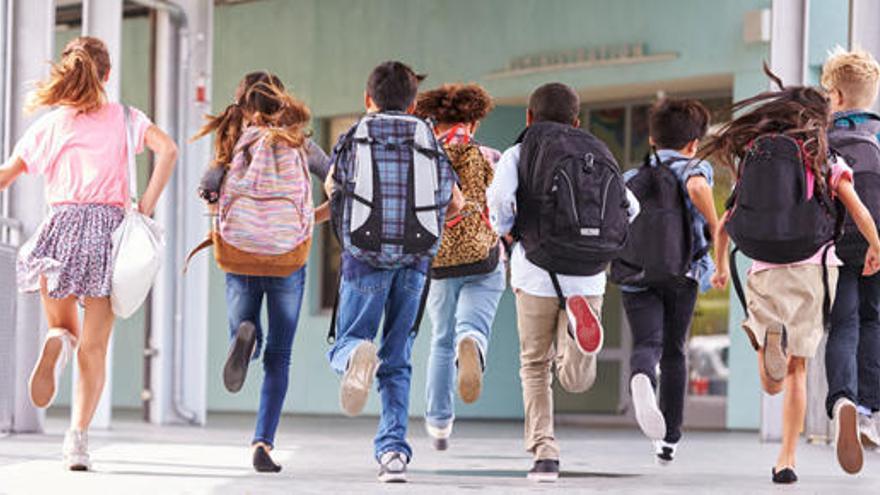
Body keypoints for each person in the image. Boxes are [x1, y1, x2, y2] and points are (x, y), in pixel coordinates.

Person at [0, 36, 177, 471]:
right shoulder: (125, 118)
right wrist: (145, 207)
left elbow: (6, 176)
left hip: (58, 228)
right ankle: (77, 441)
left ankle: (58, 341)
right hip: (108, 235)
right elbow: (168, 150)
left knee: (63, 327)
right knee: (94, 349)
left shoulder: (50, 126)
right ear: (108, 75)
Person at [708, 68, 880, 484]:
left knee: (773, 382)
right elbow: (855, 206)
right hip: (811, 266)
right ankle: (791, 455)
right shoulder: (823, 155)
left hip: (763, 269)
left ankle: (771, 354)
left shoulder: (754, 155)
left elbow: (725, 223)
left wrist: (717, 268)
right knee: (801, 369)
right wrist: (875, 244)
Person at [487, 82, 640, 482]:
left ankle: (545, 453)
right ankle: (579, 339)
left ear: (529, 118)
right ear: (577, 119)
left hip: (536, 270)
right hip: (588, 276)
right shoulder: (596, 150)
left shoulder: (519, 152)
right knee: (576, 378)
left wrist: (506, 231)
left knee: (535, 365)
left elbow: (500, 200)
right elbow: (631, 207)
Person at [324, 61, 461, 483]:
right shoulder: (428, 138)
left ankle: (354, 357)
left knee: (346, 341)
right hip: (416, 261)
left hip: (364, 257)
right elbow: (453, 202)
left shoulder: (355, 135)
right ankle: (393, 454)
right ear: (414, 102)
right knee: (398, 357)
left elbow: (333, 188)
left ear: (369, 100)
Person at [192, 72, 328, 473]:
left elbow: (208, 189)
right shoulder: (299, 142)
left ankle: (244, 335)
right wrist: (312, 218)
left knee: (245, 329)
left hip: (240, 253)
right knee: (280, 356)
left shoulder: (232, 144)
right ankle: (263, 442)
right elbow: (338, 179)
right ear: (281, 103)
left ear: (243, 107)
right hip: (288, 256)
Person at [618, 98, 719, 465]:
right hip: (682, 273)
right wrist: (715, 226)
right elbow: (695, 191)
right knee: (675, 350)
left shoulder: (630, 177)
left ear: (651, 139)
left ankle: (642, 375)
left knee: (648, 343)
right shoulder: (696, 167)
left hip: (636, 272)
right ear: (694, 142)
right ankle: (669, 439)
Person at [414, 83, 505, 451]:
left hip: (438, 262)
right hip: (483, 257)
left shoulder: (424, 157)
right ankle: (473, 343)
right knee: (472, 324)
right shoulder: (489, 155)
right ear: (475, 121)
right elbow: (505, 210)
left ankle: (438, 423)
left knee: (439, 339)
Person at [821, 47, 880, 452]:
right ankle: (868, 412)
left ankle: (841, 396)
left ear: (837, 98)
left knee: (843, 325)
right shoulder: (877, 141)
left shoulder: (821, 142)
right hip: (877, 245)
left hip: (834, 245)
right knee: (873, 323)